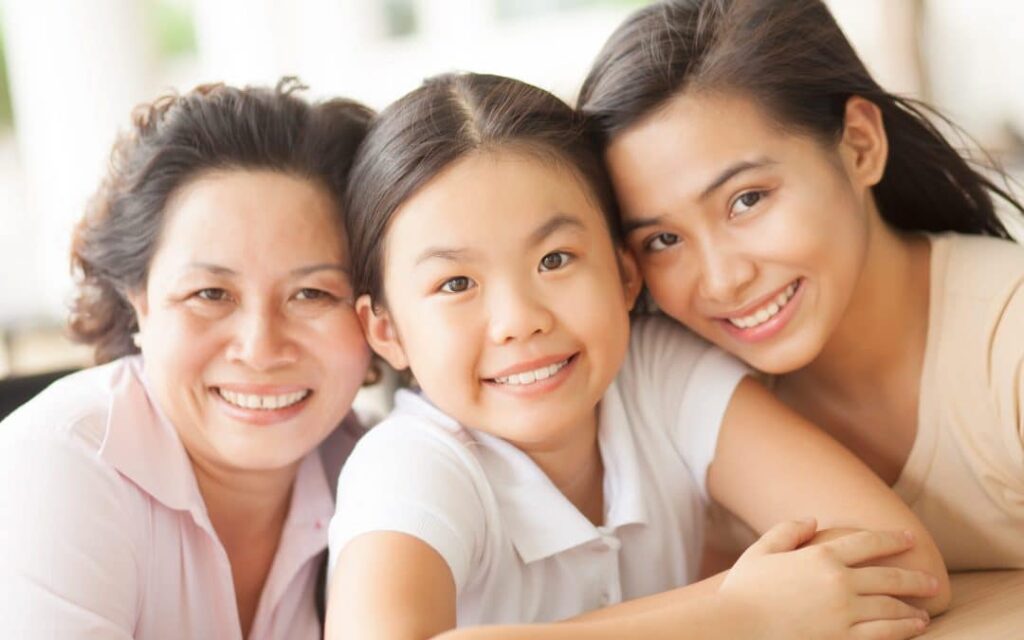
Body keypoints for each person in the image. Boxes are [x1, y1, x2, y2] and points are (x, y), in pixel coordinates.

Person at [325, 71, 948, 640]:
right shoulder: (410, 464)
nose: (519, 322)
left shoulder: (657, 376)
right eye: (456, 285)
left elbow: (899, 562)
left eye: (555, 260)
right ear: (386, 331)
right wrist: (736, 614)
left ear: (625, 275)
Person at [578, 0, 1024, 571]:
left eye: (747, 200)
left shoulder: (1005, 343)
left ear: (860, 144)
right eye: (662, 241)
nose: (722, 279)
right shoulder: (687, 405)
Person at [0, 80, 374, 639]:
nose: (261, 348)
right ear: (140, 303)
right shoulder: (56, 464)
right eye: (210, 294)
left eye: (313, 294)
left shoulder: (376, 468)